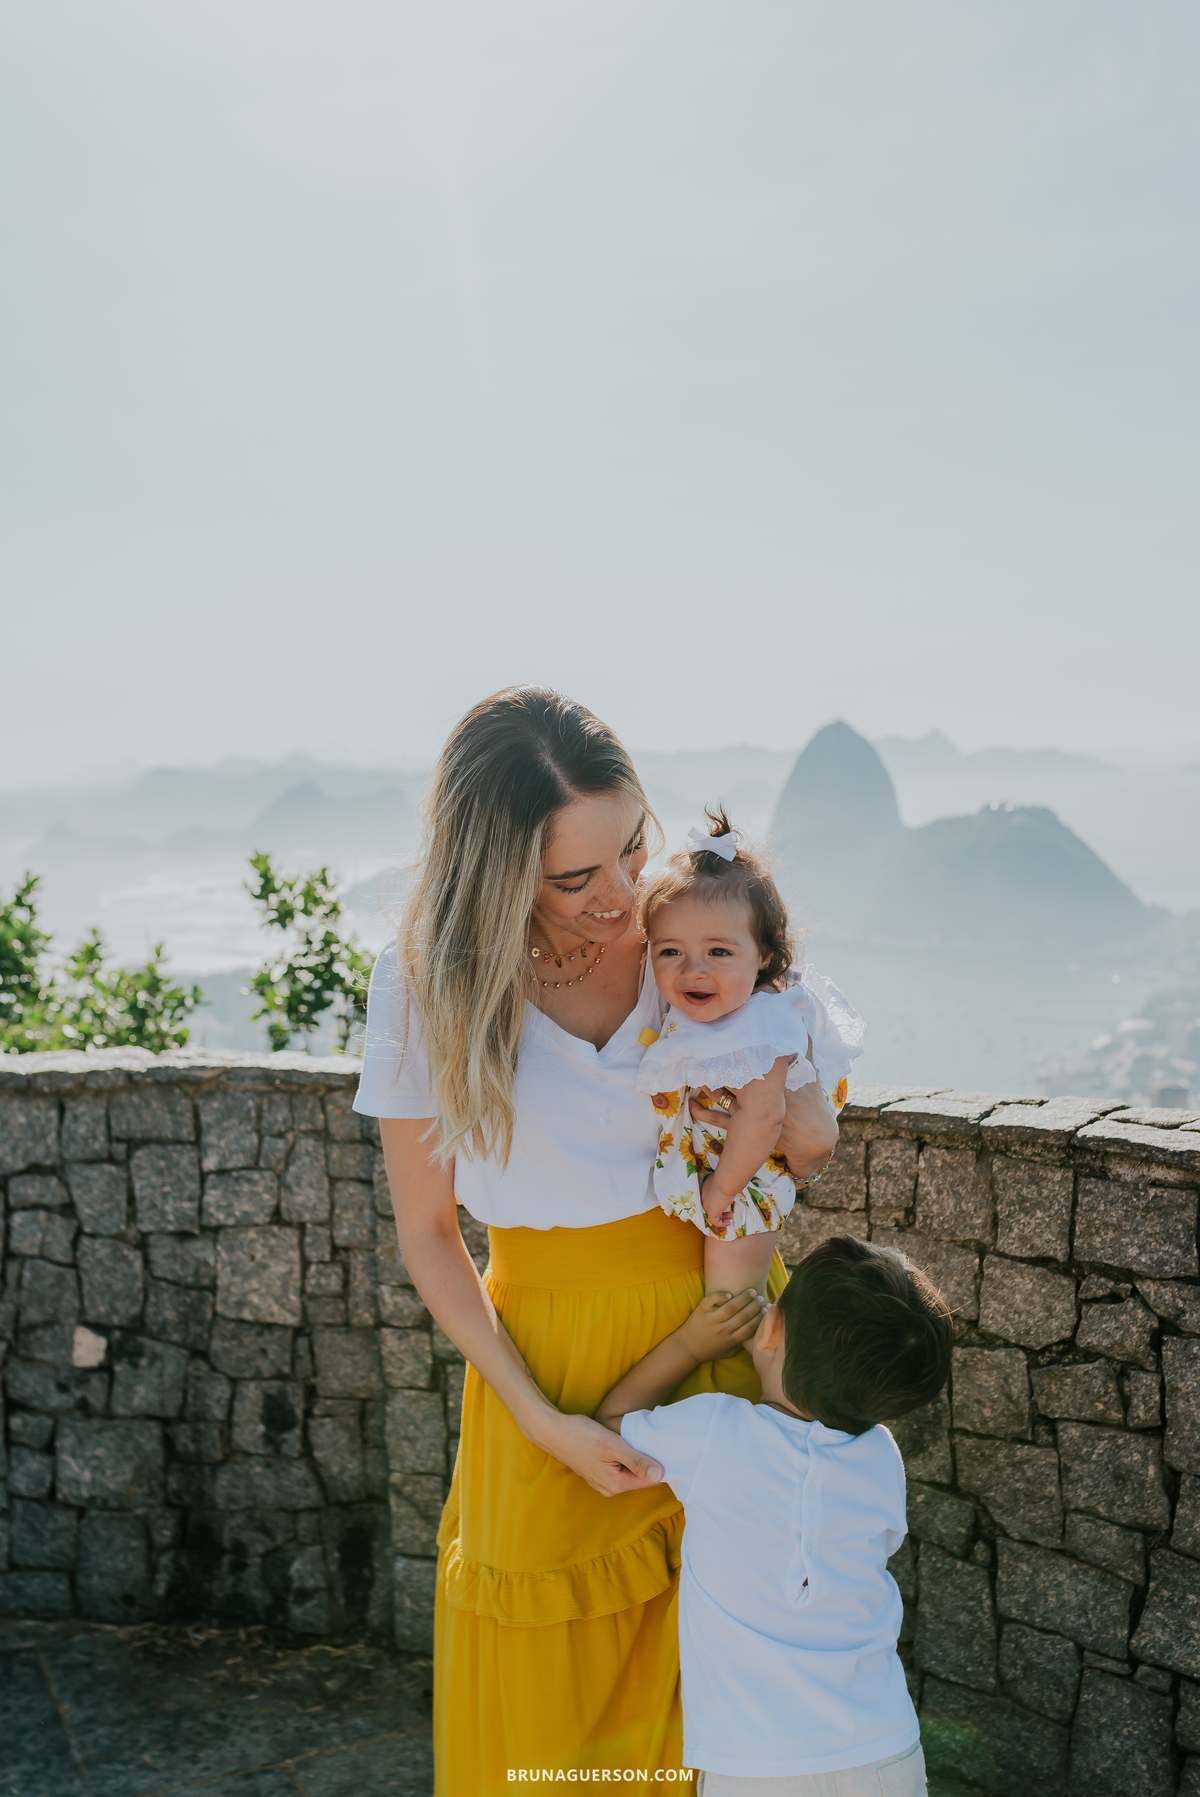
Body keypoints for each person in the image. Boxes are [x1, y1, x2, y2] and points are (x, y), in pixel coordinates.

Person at [353, 687, 846, 1793]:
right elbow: (431, 1236)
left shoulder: (687, 938)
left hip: (730, 1344)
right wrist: (540, 1420)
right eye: (577, 878)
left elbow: (804, 1130)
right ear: (492, 870)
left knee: (727, 1690)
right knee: (554, 1725)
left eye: (631, 848)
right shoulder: (427, 982)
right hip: (550, 1379)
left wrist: (802, 1104)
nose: (622, 898)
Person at [597, 1235, 953, 1795]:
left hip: (757, 1766)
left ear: (768, 1329)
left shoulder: (713, 1430)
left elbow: (612, 1425)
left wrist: (691, 1346)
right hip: (887, 1751)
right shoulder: (882, 1458)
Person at [636, 808, 863, 1302]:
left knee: (731, 1303)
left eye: (719, 952)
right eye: (670, 952)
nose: (693, 971)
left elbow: (763, 1114)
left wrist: (720, 1190)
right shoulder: (715, 1011)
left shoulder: (761, 1025)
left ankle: (760, 1376)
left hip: (743, 1190)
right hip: (722, 1174)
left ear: (763, 954)